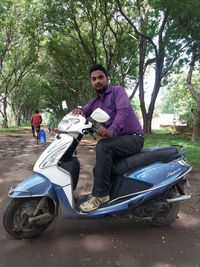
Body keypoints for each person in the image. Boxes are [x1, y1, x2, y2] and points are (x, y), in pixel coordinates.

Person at [72, 64, 144, 212]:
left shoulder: (118, 91)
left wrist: (112, 130)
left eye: (100, 77)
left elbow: (122, 112)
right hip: (119, 141)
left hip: (133, 138)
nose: (97, 81)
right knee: (98, 169)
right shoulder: (95, 102)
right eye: (94, 79)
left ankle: (100, 196)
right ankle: (110, 194)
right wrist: (79, 111)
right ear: (91, 82)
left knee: (103, 146)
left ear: (107, 78)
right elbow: (85, 111)